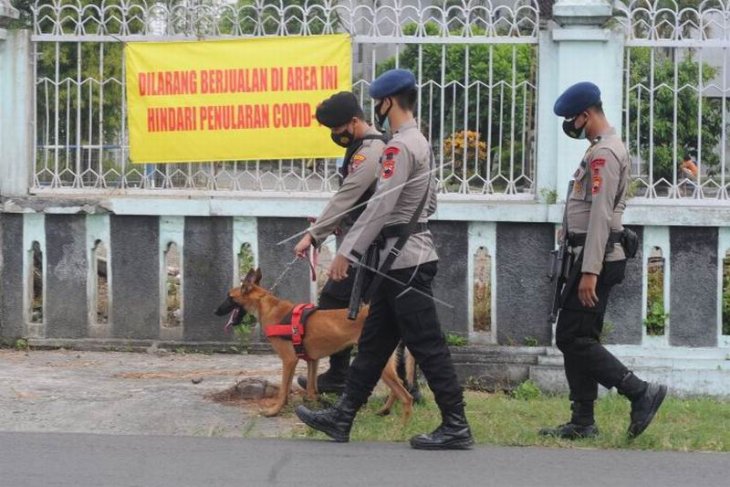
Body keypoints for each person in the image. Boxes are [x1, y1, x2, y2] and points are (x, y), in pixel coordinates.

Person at [295, 69, 474, 450]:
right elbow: (429, 203)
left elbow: (379, 207)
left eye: (378, 103)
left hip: (403, 262)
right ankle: (342, 417)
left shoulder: (396, 147)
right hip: (400, 260)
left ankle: (456, 424)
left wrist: (347, 251)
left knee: (428, 345)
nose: (377, 109)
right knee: (374, 343)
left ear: (388, 102)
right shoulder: (420, 141)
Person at [541, 81, 667, 440]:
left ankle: (640, 392)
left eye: (572, 118)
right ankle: (582, 420)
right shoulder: (602, 149)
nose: (570, 125)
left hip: (594, 260)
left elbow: (599, 215)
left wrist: (590, 271)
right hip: (587, 256)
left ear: (587, 114)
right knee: (579, 336)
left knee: (573, 337)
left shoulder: (604, 154)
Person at [293, 91, 387, 393]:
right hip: (361, 239)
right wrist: (336, 225)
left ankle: (338, 377)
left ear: (354, 121)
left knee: (334, 301)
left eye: (337, 129)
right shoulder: (362, 147)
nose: (335, 135)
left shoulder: (370, 151)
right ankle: (347, 376)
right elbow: (356, 202)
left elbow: (348, 195)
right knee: (374, 311)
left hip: (368, 246)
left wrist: (314, 234)